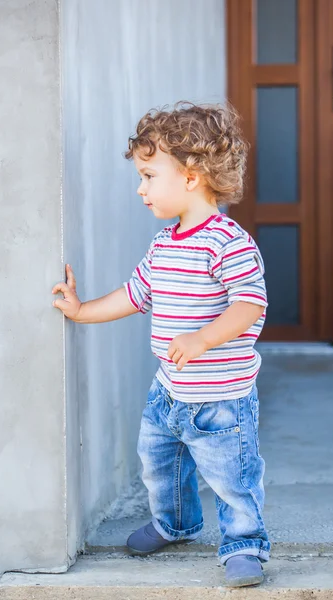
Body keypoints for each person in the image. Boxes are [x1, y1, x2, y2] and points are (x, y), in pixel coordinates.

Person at [52, 101, 270, 588]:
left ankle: (245, 545)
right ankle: (175, 525)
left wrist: (202, 337)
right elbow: (136, 293)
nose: (141, 188)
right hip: (169, 391)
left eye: (149, 175)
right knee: (159, 464)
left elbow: (250, 304)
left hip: (221, 397)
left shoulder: (228, 242)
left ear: (191, 176)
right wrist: (82, 310)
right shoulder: (164, 244)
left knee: (233, 477)